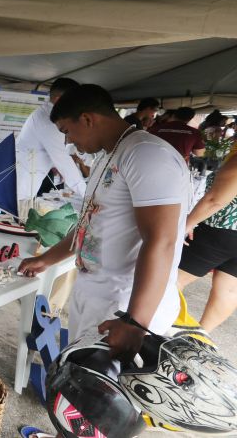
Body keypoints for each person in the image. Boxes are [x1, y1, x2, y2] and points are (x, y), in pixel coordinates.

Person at [18, 85, 188, 359]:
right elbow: (89, 222)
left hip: (124, 304)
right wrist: (47, 259)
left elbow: (162, 241)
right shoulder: (108, 155)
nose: (67, 142)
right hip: (96, 293)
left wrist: (135, 321)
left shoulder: (146, 154)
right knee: (80, 382)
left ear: (87, 119)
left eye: (66, 131)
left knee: (107, 395)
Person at [177, 143, 237, 331]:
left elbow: (215, 200)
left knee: (171, 279)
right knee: (229, 288)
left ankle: (150, 329)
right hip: (228, 235)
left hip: (221, 230)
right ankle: (197, 338)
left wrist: (183, 226)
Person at [16, 78, 86, 204]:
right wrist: (88, 195)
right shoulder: (48, 121)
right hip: (22, 184)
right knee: (14, 216)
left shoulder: (48, 115)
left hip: (29, 179)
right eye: (73, 101)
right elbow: (64, 161)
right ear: (59, 100)